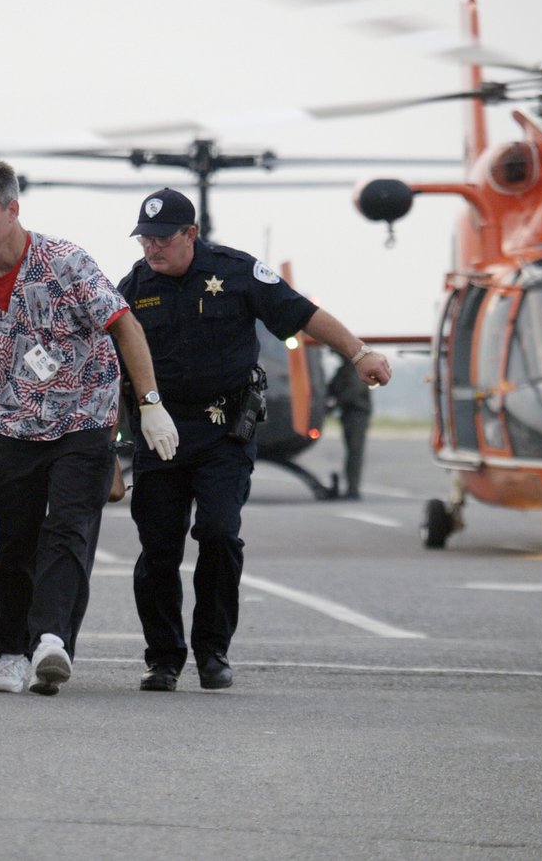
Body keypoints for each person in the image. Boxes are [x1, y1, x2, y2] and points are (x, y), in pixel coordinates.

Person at [117, 187, 392, 692]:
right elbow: (106, 369)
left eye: (161, 239)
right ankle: (163, 658)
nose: (151, 249)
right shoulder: (132, 288)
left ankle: (213, 651)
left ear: (190, 235)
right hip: (161, 432)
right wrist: (109, 445)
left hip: (225, 430)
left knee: (220, 534)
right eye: (144, 240)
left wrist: (359, 354)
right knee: (158, 547)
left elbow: (303, 314)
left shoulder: (237, 272)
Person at [0, 158, 176, 697]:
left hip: (83, 419)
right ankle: (8, 653)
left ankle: (51, 640)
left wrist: (149, 404)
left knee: (68, 530)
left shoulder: (65, 262)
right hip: (16, 427)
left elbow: (126, 325)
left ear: (13, 209)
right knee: (16, 542)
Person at [327, 353, 373, 500]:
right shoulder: (343, 370)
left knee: (354, 452)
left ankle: (353, 488)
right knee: (352, 452)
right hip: (348, 415)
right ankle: (351, 488)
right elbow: (331, 388)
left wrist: (333, 406)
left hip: (357, 415)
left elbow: (353, 392)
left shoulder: (356, 370)